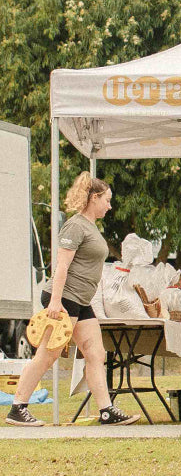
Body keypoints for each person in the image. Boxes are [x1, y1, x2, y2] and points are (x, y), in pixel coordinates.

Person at [6, 172, 139, 427]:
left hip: (80, 300)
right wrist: (55, 303)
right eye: (107, 200)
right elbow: (62, 266)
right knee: (47, 355)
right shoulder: (75, 225)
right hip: (64, 297)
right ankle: (17, 408)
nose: (110, 206)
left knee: (96, 353)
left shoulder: (90, 226)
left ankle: (106, 411)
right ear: (94, 197)